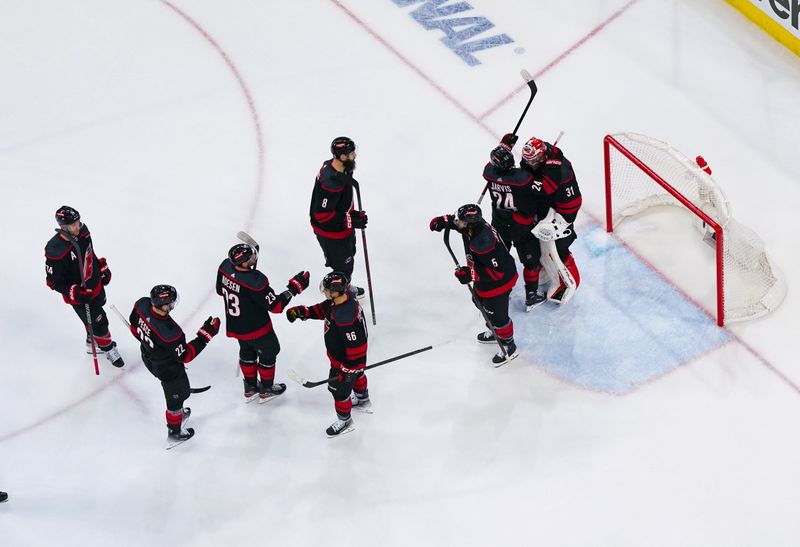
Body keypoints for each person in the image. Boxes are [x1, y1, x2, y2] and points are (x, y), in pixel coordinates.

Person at [216, 243, 310, 402]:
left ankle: (250, 387)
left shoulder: (225, 266)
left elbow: (220, 290)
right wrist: (294, 288)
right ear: (244, 263)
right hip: (257, 328)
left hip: (236, 325)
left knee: (247, 352)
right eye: (250, 258)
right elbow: (276, 306)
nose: (254, 258)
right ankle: (266, 389)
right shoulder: (256, 281)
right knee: (269, 352)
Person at [129, 285, 220, 446]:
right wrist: (206, 334)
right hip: (167, 370)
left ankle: (178, 415)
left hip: (148, 357)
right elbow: (186, 355)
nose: (172, 304)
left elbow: (133, 327)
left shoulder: (141, 305)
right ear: (164, 306)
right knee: (175, 399)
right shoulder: (170, 333)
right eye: (171, 302)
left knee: (182, 391)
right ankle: (174, 431)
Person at [429, 204, 518, 365]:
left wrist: (469, 275)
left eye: (460, 222)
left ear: (470, 224)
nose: (457, 223)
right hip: (485, 280)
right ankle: (495, 331)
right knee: (478, 301)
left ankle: (508, 345)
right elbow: (458, 223)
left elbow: (497, 272)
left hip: (499, 283)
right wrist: (444, 221)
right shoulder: (474, 227)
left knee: (497, 315)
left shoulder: (483, 242)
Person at [285, 271, 369, 437]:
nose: (324, 291)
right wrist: (304, 312)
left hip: (346, 363)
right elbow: (324, 309)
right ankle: (362, 398)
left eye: (327, 289)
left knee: (339, 391)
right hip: (350, 363)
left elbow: (357, 347)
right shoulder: (342, 300)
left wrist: (346, 370)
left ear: (336, 292)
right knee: (359, 375)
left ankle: (345, 420)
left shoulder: (346, 319)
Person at [45, 205, 124, 368]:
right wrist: (75, 292)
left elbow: (90, 252)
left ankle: (92, 338)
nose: (78, 226)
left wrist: (100, 268)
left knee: (97, 312)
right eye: (74, 225)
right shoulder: (55, 250)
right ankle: (107, 347)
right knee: (100, 323)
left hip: (95, 284)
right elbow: (53, 282)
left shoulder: (83, 231)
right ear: (63, 227)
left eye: (78, 222)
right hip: (81, 296)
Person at [482, 135, 549, 311]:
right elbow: (543, 188)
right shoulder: (523, 178)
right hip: (521, 226)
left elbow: (491, 165)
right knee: (530, 262)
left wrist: (504, 145)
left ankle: (501, 291)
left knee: (500, 258)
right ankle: (532, 295)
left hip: (498, 224)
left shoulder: (489, 173)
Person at [519, 136, 582, 303]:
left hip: (563, 210)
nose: (530, 164)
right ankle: (547, 270)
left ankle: (569, 280)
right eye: (528, 160)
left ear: (542, 156)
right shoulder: (533, 161)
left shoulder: (561, 170)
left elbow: (569, 201)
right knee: (538, 243)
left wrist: (562, 220)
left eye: (534, 161)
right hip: (547, 205)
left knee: (558, 245)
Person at [309, 136, 367, 296]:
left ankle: (341, 285)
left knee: (350, 255)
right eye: (352, 153)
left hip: (342, 228)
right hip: (332, 234)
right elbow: (322, 215)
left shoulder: (340, 168)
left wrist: (352, 216)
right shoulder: (331, 183)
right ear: (342, 157)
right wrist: (350, 219)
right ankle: (338, 291)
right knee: (344, 266)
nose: (355, 156)